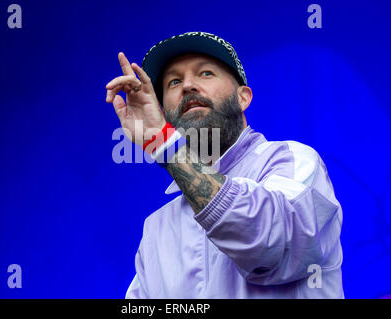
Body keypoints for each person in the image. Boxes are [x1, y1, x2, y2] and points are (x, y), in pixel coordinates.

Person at [105, 31, 344, 298]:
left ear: (243, 97)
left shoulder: (291, 160)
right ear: (164, 113)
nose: (188, 86)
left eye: (205, 73)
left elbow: (267, 244)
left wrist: (165, 145)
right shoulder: (157, 229)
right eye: (174, 81)